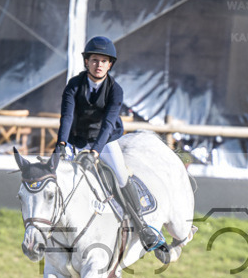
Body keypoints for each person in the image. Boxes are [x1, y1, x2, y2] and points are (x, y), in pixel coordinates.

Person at [53, 35, 165, 255]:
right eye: (95, 60)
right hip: (77, 140)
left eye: (104, 61)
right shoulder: (74, 85)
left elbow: (107, 124)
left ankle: (142, 226)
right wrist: (61, 144)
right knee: (59, 176)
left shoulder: (115, 90)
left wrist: (95, 152)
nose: (99, 65)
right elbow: (66, 117)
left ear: (110, 64)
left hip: (105, 141)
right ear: (87, 62)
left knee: (121, 177)